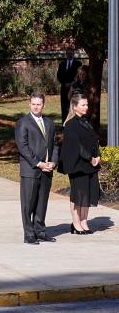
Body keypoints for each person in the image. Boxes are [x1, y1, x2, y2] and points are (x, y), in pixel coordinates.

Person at [14, 92, 58, 245]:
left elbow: (55, 145)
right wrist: (38, 163)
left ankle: (39, 230)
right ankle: (29, 234)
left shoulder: (49, 123)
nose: (36, 107)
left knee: (42, 202)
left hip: (47, 170)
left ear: (43, 105)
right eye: (33, 104)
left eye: (39, 104)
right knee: (28, 203)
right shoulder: (23, 122)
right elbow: (23, 147)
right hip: (31, 170)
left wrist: (53, 162)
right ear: (29, 104)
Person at [60, 93, 102, 235]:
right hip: (78, 165)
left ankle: (84, 221)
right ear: (75, 107)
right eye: (83, 105)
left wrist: (97, 156)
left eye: (87, 104)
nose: (86, 107)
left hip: (91, 165)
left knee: (88, 194)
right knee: (78, 195)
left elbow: (94, 141)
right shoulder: (70, 125)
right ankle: (76, 223)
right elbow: (77, 147)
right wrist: (90, 158)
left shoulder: (86, 122)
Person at [56, 49, 81, 123]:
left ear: (73, 53)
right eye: (68, 53)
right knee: (64, 107)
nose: (70, 54)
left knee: (74, 106)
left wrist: (72, 84)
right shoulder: (62, 64)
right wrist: (64, 83)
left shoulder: (78, 64)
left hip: (74, 88)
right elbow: (59, 76)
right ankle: (64, 124)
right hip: (64, 88)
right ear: (66, 54)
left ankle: (75, 124)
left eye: (71, 53)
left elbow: (79, 75)